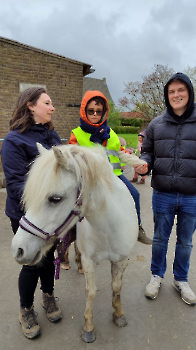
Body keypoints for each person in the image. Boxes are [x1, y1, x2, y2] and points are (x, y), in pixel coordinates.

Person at [1, 87, 62, 339]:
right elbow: (15, 186)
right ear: (30, 106)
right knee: (31, 261)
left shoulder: (53, 136)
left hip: (53, 214)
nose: (52, 107)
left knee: (48, 257)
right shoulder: (14, 141)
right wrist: (49, 202)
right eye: (47, 103)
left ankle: (48, 295)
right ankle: (25, 309)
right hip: (26, 215)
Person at [134, 72, 196, 305]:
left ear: (189, 93)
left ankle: (181, 279)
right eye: (172, 91)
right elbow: (148, 151)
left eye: (181, 90)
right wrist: (144, 165)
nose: (176, 95)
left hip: (192, 195)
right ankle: (156, 276)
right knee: (160, 238)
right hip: (163, 193)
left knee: (186, 241)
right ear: (166, 95)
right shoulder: (156, 124)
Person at [69, 90, 152, 245]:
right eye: (90, 111)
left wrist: (138, 163)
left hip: (115, 176)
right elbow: (71, 160)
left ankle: (138, 227)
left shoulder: (110, 133)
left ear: (104, 112)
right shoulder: (77, 134)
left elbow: (121, 153)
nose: (95, 114)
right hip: (90, 179)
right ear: (84, 111)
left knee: (135, 194)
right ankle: (70, 234)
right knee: (73, 204)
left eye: (99, 111)